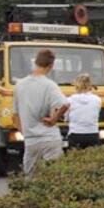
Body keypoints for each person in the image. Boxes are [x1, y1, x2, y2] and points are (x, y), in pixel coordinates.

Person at [12, 49, 69, 178]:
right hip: (50, 138)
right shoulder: (50, 85)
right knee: (54, 178)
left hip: (31, 140)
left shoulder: (19, 85)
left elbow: (15, 116)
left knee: (30, 177)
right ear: (51, 65)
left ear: (36, 62)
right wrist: (54, 119)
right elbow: (65, 104)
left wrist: (25, 133)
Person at [67, 74, 101, 149]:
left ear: (76, 86)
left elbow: (66, 118)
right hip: (93, 133)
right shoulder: (97, 99)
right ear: (90, 85)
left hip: (75, 133)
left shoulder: (70, 100)